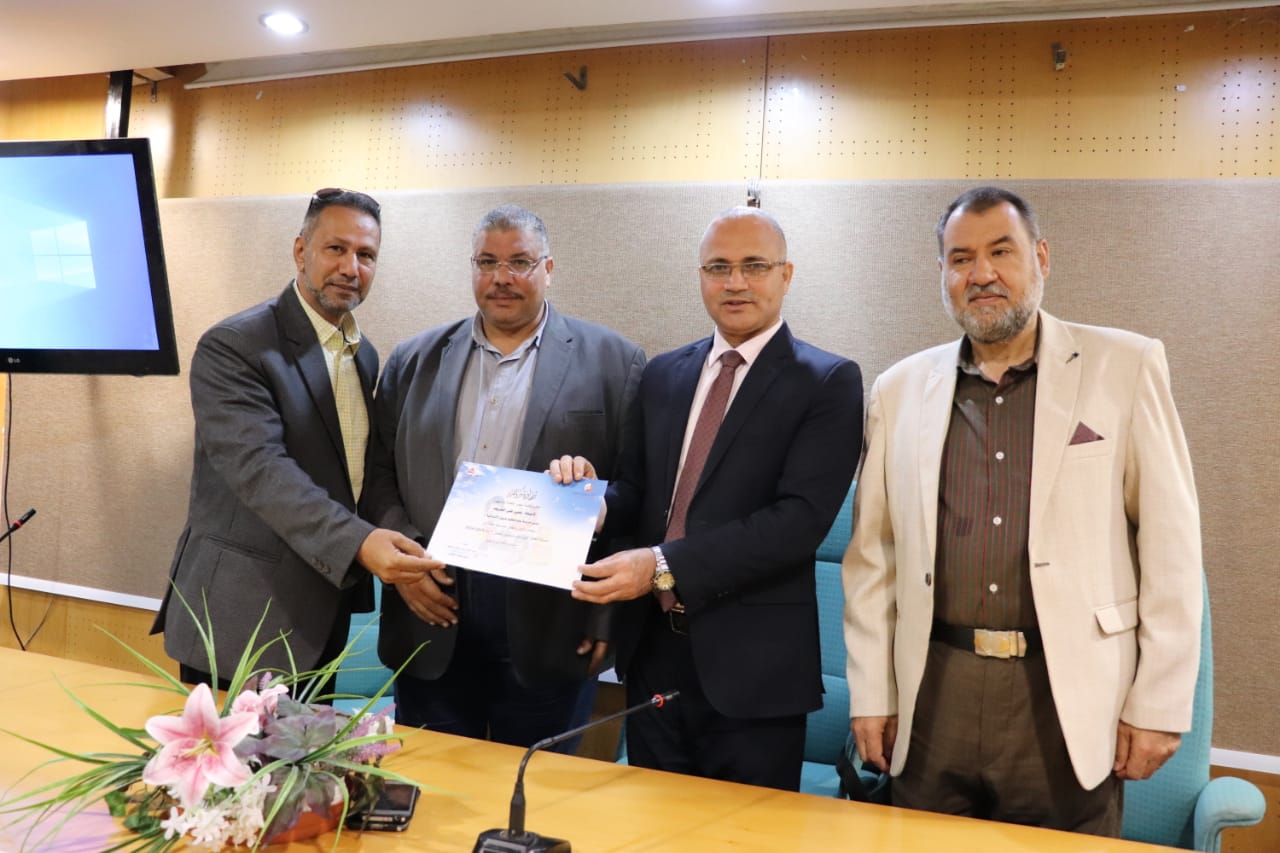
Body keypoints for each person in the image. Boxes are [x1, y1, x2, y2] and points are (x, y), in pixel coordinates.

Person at [843, 186, 1203, 835]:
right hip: (935, 695)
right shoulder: (898, 390)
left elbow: (1171, 548)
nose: (981, 273)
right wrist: (872, 692)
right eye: (961, 258)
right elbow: (874, 559)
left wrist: (1159, 703)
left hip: (1064, 700)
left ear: (1040, 257)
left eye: (1001, 252)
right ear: (943, 273)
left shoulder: (1124, 366)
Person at [552, 206, 863, 790]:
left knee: (748, 831)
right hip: (653, 657)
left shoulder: (826, 381)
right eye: (718, 267)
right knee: (653, 822)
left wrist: (660, 566)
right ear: (700, 276)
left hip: (754, 672)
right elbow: (638, 493)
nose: (735, 282)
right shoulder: (663, 373)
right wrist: (592, 503)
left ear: (786, 275)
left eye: (754, 266)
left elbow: (797, 523)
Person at [360, 204, 646, 750]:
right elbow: (377, 476)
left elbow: (635, 495)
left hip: (552, 621)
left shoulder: (615, 362)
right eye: (487, 262)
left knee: (535, 787)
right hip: (432, 600)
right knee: (431, 782)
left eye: (520, 262)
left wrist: (606, 618)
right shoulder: (413, 360)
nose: (502, 277)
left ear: (548, 269)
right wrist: (407, 563)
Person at [154, 188, 438, 685]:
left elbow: (359, 474)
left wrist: (408, 543)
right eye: (336, 249)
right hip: (239, 618)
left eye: (366, 255)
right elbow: (261, 470)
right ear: (301, 251)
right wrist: (361, 541)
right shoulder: (236, 345)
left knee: (309, 740)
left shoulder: (363, 355)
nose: (351, 267)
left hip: (322, 613)